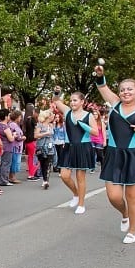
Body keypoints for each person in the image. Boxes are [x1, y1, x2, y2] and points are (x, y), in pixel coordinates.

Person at [92, 67, 135, 243]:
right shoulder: (114, 105)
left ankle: (132, 230)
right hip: (114, 155)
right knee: (114, 196)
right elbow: (102, 88)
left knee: (132, 196)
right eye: (123, 89)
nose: (126, 92)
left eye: (130, 89)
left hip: (134, 156)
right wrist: (101, 75)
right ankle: (124, 213)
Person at [50, 86, 99, 214]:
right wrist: (57, 92)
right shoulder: (67, 111)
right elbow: (56, 100)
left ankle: (81, 204)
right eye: (71, 100)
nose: (72, 103)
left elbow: (95, 132)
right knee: (64, 176)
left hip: (83, 147)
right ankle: (76, 194)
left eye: (75, 100)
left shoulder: (88, 115)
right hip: (69, 146)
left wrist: (83, 125)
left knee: (80, 177)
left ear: (82, 102)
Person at [34, 109, 55, 189]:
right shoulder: (40, 125)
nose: (52, 117)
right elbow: (36, 135)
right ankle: (44, 179)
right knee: (43, 163)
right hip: (41, 146)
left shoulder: (51, 125)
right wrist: (45, 133)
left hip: (50, 146)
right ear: (47, 116)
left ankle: (46, 181)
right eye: (51, 115)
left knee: (48, 163)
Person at [22, 104, 38, 180]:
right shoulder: (32, 119)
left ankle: (31, 173)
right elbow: (36, 129)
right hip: (32, 141)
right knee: (33, 158)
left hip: (27, 141)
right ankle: (32, 174)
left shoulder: (25, 120)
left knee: (30, 158)